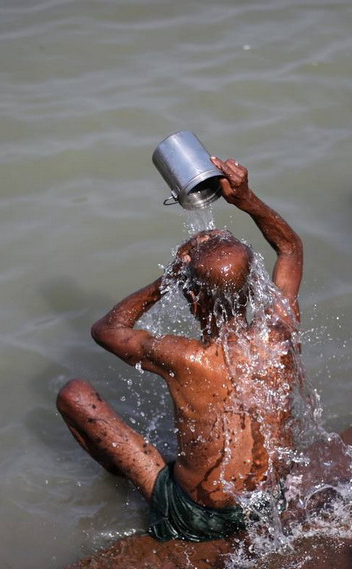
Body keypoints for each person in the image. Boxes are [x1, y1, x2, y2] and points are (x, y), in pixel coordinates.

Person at [57, 157, 303, 542]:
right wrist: (247, 199)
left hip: (199, 516)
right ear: (255, 285)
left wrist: (169, 276)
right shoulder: (279, 329)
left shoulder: (182, 357)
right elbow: (289, 249)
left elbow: (107, 329)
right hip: (271, 501)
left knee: (74, 394)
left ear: (190, 295)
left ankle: (134, 487)